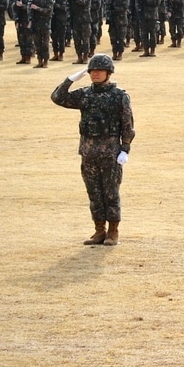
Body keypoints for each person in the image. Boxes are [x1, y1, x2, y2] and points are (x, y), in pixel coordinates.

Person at [51, 53, 135, 246]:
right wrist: (71, 79)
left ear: (109, 72)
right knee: (94, 193)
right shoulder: (85, 95)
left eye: (99, 70)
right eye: (92, 71)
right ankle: (99, 231)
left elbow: (127, 125)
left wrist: (125, 149)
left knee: (111, 192)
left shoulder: (119, 96)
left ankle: (113, 232)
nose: (95, 74)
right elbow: (57, 97)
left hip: (111, 152)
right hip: (88, 152)